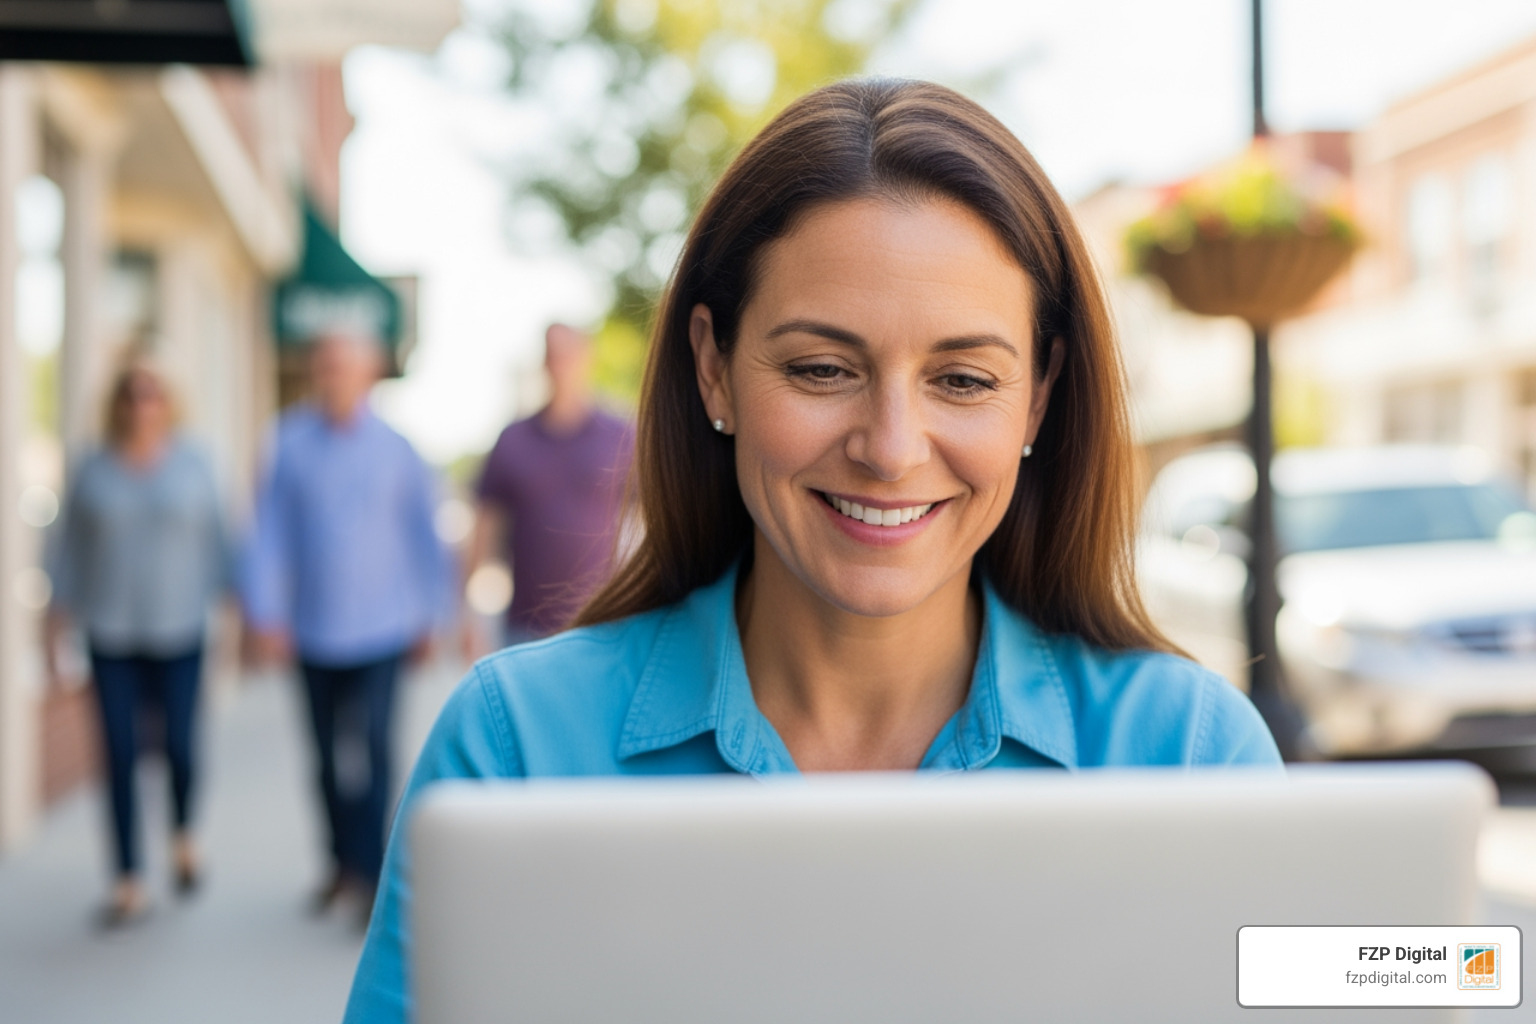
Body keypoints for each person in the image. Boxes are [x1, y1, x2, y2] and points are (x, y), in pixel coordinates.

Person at [343, 79, 1282, 1022]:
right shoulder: (518, 749)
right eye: (822, 369)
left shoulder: (1191, 752)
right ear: (714, 368)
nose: (891, 446)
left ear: (1037, 398)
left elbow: (1412, 974)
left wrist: (1436, 960)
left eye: (961, 379)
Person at [242, 331, 454, 924]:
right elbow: (266, 533)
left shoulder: (399, 449)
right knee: (326, 758)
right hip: (311, 629)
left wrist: (433, 614)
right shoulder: (286, 442)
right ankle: (340, 866)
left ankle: (372, 872)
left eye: (345, 366)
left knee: (377, 753)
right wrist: (265, 613)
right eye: (325, 364)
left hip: (386, 628)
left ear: (368, 376)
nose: (333, 375)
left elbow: (425, 536)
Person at [45, 358, 231, 927]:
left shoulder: (196, 464)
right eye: (132, 394)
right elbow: (65, 551)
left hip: (180, 629)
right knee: (119, 754)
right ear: (118, 403)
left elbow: (223, 543)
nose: (142, 405)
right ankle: (127, 877)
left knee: (178, 745)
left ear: (169, 402)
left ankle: (182, 834)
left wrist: (240, 613)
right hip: (111, 631)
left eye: (153, 393)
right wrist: (53, 624)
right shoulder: (92, 468)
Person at [462, 323, 635, 649]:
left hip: (604, 624)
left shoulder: (621, 436)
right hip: (526, 628)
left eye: (568, 354)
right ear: (543, 363)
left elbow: (654, 518)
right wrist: (467, 615)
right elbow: (483, 527)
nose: (560, 364)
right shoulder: (513, 440)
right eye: (552, 355)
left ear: (587, 358)